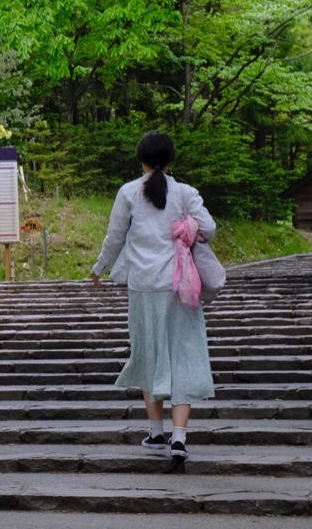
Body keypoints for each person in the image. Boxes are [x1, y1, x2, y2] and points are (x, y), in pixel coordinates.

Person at [91, 131, 216, 464]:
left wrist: (99, 268)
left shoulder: (129, 192)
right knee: (183, 355)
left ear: (141, 158)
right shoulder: (186, 193)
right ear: (170, 158)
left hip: (144, 286)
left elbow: (115, 236)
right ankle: (179, 438)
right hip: (181, 287)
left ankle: (156, 433)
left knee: (148, 353)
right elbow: (210, 228)